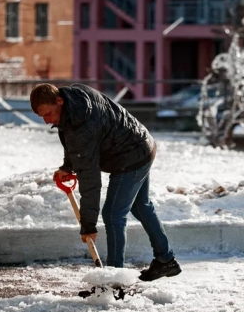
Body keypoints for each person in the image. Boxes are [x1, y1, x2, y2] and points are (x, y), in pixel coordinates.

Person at [30, 83, 181, 281]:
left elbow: (90, 178)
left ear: (59, 101)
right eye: (42, 117)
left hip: (130, 157)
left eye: (48, 114)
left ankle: (114, 278)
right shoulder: (75, 101)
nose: (47, 121)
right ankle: (165, 260)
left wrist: (88, 225)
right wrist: (68, 166)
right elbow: (73, 140)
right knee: (141, 206)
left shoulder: (81, 124)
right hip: (142, 145)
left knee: (112, 214)